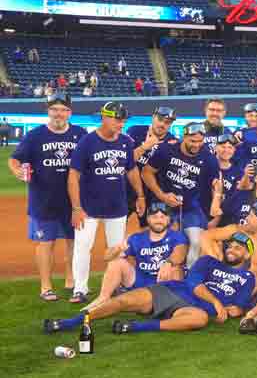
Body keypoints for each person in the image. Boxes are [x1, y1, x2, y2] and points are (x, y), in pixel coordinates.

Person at [44, 232, 255, 336]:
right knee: (122, 301)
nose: (231, 250)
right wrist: (217, 304)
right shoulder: (208, 261)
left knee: (200, 319)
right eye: (230, 246)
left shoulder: (248, 278)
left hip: (193, 309)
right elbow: (193, 283)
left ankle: (134, 327)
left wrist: (234, 310)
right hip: (171, 291)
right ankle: (70, 322)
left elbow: (239, 307)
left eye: (238, 248)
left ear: (247, 255)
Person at [9, 92, 86, 301]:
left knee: (73, 242)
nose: (58, 114)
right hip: (43, 200)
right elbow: (15, 159)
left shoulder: (80, 134)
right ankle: (46, 287)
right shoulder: (35, 135)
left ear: (69, 112)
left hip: (73, 201)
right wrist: (17, 170)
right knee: (46, 243)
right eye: (54, 109)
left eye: (63, 110)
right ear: (48, 111)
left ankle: (71, 280)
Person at [68, 101, 143, 305]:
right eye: (117, 120)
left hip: (117, 206)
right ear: (104, 117)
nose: (121, 124)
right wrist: (76, 208)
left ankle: (115, 286)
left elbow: (132, 170)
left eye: (123, 120)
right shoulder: (87, 142)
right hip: (88, 207)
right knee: (82, 247)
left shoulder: (126, 141)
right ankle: (80, 288)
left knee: (117, 249)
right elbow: (73, 175)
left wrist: (140, 195)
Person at [83, 203, 187, 313]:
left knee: (176, 269)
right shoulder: (137, 238)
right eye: (155, 217)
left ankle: (172, 303)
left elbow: (180, 253)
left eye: (162, 217)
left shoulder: (176, 236)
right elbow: (107, 257)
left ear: (168, 219)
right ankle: (103, 298)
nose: (159, 220)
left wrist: (168, 263)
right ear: (148, 219)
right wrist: (117, 249)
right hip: (141, 281)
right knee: (116, 262)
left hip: (163, 281)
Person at [141, 122, 219, 266]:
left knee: (197, 241)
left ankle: (189, 275)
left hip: (191, 207)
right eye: (193, 141)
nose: (197, 145)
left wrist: (216, 201)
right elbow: (146, 172)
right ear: (184, 136)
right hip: (163, 204)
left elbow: (216, 183)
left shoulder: (209, 158)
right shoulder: (167, 150)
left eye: (200, 141)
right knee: (165, 241)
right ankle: (158, 271)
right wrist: (162, 195)